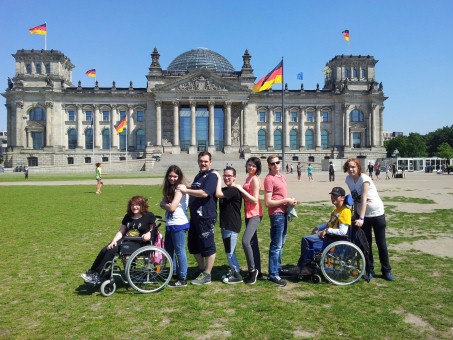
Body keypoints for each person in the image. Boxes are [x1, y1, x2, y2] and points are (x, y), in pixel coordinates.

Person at [81, 196, 156, 284]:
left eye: (137, 205)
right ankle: (92, 272)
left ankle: (97, 275)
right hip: (126, 241)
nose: (134, 207)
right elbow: (121, 231)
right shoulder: (128, 216)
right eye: (132, 205)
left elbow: (153, 228)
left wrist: (149, 233)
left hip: (139, 244)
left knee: (112, 251)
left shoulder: (149, 216)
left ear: (142, 206)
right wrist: (114, 241)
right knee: (106, 249)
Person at [343, 158, 395, 281]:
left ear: (358, 167)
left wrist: (360, 218)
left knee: (381, 244)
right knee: (366, 245)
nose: (351, 169)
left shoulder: (364, 179)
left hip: (376, 213)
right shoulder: (348, 179)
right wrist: (355, 214)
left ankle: (386, 271)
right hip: (363, 215)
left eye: (353, 167)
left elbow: (364, 198)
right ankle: (369, 270)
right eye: (349, 167)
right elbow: (356, 197)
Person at [289, 187, 351, 276]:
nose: (333, 197)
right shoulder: (336, 210)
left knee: (306, 239)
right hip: (328, 237)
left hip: (333, 240)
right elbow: (330, 223)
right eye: (332, 195)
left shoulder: (345, 212)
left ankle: (304, 267)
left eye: (336, 196)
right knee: (308, 240)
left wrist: (327, 230)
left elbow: (343, 231)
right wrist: (318, 227)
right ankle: (307, 266)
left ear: (342, 198)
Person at [179, 151, 218, 285]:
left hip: (206, 216)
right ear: (198, 161)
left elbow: (205, 193)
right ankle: (201, 267)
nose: (203, 163)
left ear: (210, 162)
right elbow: (195, 189)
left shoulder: (212, 176)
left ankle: (207, 274)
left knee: (208, 246)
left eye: (206, 161)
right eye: (201, 161)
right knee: (193, 245)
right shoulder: (199, 176)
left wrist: (186, 190)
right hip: (195, 216)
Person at [264, 155, 297, 287]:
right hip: (276, 214)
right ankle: (273, 274)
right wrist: (285, 201)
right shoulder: (269, 179)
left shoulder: (281, 177)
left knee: (281, 243)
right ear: (269, 166)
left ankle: (277, 269)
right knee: (276, 245)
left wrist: (291, 201)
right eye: (272, 164)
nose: (276, 165)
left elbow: (281, 196)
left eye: (277, 162)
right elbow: (268, 202)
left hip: (283, 212)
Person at [234, 157, 263, 284]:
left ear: (257, 168)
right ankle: (259, 271)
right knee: (253, 244)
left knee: (245, 241)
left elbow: (255, 199)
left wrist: (240, 189)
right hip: (248, 214)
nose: (251, 167)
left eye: (254, 166)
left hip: (255, 214)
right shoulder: (248, 178)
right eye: (249, 165)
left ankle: (252, 270)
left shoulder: (255, 180)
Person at [160, 165, 190, 288]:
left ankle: (182, 277)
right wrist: (166, 204)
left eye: (175, 176)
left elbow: (171, 207)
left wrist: (166, 205)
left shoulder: (179, 189)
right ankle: (174, 272)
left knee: (179, 250)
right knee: (169, 250)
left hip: (179, 223)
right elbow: (164, 203)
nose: (172, 178)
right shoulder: (170, 188)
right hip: (170, 223)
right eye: (170, 176)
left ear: (179, 177)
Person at [215, 166, 243, 284]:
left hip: (232, 225)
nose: (226, 178)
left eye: (229, 176)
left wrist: (217, 178)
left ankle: (237, 275)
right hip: (226, 225)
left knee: (229, 252)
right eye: (224, 175)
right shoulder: (227, 190)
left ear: (234, 177)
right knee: (230, 250)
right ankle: (233, 270)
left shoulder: (233, 190)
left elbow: (218, 194)